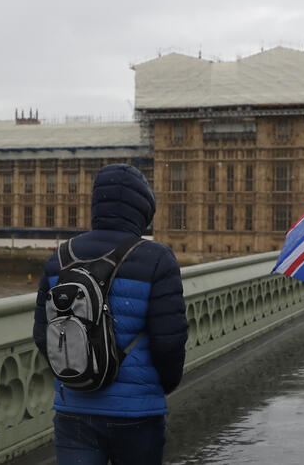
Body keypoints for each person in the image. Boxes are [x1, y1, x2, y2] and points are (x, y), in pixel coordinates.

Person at [33, 163, 188, 465]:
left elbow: (43, 336)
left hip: (74, 409)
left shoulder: (60, 258)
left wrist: (77, 375)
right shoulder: (157, 258)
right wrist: (159, 386)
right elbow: (169, 341)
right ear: (142, 209)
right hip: (137, 412)